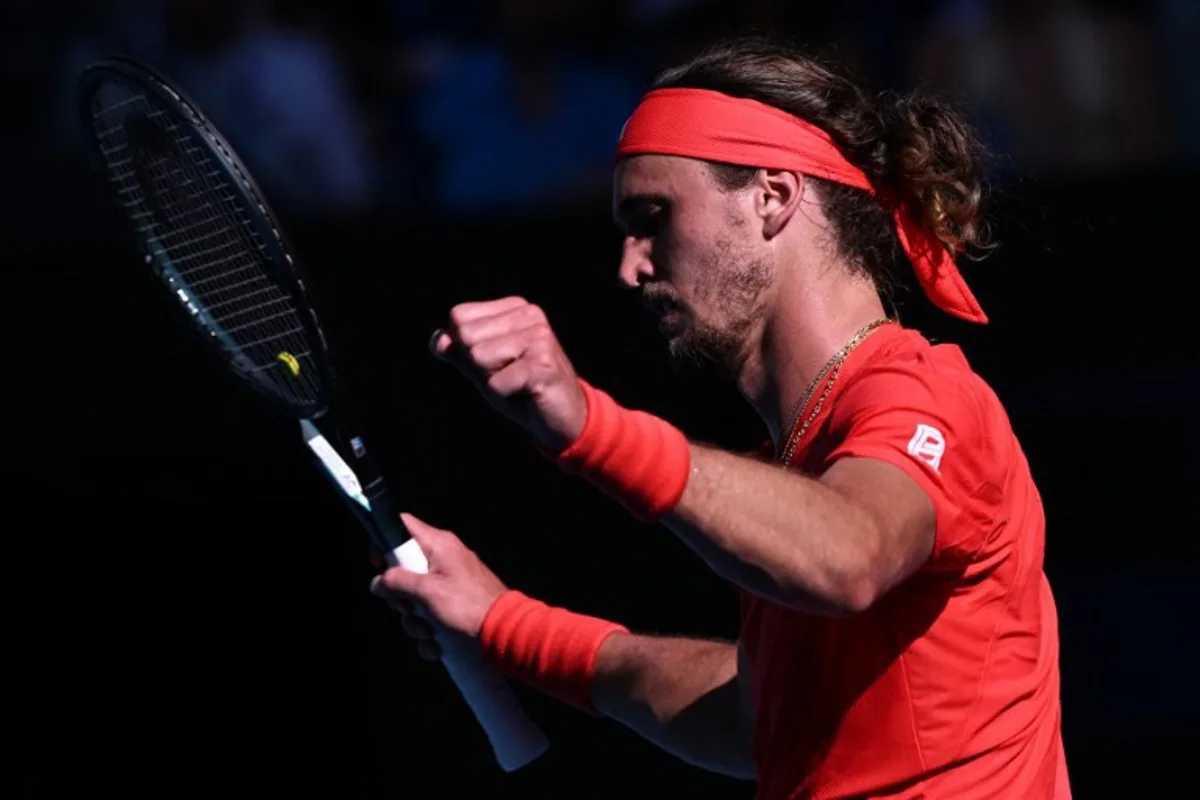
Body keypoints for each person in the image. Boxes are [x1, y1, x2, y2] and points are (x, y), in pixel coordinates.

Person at [371, 36, 1071, 799]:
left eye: (654, 217)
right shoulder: (792, 469)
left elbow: (848, 553)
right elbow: (754, 716)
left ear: (772, 196)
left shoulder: (927, 394)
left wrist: (589, 428)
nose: (630, 266)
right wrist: (505, 623)